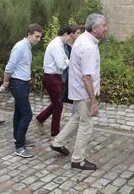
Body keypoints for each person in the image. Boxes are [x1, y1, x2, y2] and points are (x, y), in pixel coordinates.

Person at [50, 14, 108, 171]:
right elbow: (87, 77)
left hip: (77, 90)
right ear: (95, 29)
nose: (106, 28)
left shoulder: (82, 39)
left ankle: (58, 142)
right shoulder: (89, 47)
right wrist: (94, 101)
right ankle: (77, 160)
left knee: (77, 118)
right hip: (84, 93)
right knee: (86, 123)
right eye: (103, 26)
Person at [0, 23, 43, 158]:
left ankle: (19, 138)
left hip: (22, 83)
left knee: (19, 113)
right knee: (27, 115)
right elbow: (9, 67)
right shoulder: (20, 46)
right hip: (17, 84)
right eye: (36, 36)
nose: (38, 39)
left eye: (40, 37)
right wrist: (5, 82)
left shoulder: (27, 46)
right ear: (29, 34)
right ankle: (19, 147)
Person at [35, 25, 73, 136]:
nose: (70, 38)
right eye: (69, 36)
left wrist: (66, 61)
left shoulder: (59, 44)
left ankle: (40, 119)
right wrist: (67, 62)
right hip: (51, 77)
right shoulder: (56, 45)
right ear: (65, 34)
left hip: (55, 77)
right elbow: (62, 65)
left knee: (57, 103)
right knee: (58, 105)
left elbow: (65, 60)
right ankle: (55, 133)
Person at [61, 24, 81, 104]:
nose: (79, 35)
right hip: (64, 76)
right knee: (59, 101)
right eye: (77, 33)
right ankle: (41, 116)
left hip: (73, 76)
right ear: (71, 34)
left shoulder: (78, 45)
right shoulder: (64, 46)